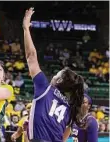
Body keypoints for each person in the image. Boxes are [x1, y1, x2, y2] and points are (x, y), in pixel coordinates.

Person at [23, 7, 84, 142]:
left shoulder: (45, 88)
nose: (53, 76)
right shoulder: (71, 109)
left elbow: (31, 56)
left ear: (60, 80)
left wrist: (26, 29)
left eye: (56, 74)